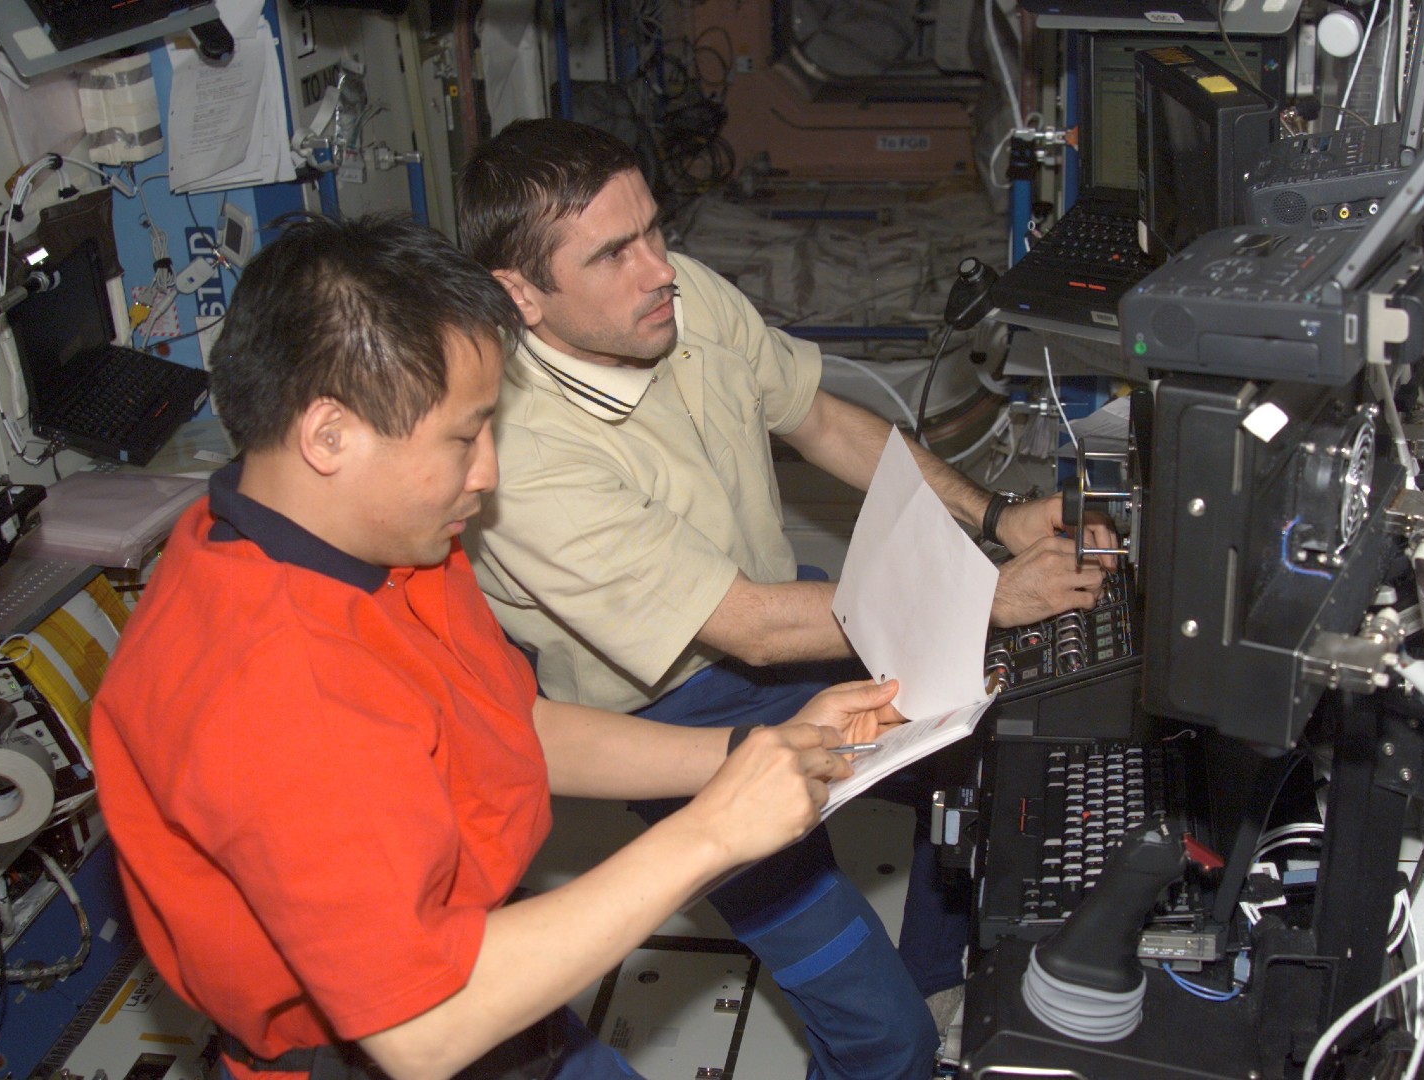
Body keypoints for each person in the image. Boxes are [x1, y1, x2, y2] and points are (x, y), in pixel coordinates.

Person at [91, 213, 914, 1080]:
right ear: (328, 435)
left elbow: (509, 725)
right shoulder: (275, 692)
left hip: (489, 963)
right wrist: (713, 834)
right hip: (408, 1032)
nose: (488, 473)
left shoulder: (356, 535)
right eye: (461, 437)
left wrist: (756, 752)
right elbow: (421, 1033)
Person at [455, 118, 1116, 1062]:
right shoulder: (524, 452)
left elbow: (822, 422)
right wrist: (985, 595)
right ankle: (898, 1024)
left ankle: (937, 977)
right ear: (520, 293)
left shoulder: (676, 298)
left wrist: (997, 518)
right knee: (876, 1029)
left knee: (999, 739)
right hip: (675, 709)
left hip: (792, 611)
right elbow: (751, 630)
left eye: (654, 229)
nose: (659, 270)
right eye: (613, 253)